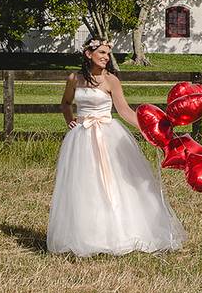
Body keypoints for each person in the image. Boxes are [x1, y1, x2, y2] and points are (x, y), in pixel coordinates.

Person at [46, 38, 186, 256]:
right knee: (84, 185)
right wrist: (70, 120)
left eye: (107, 53)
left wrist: (148, 128)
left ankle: (120, 233)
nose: (105, 57)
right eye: (101, 52)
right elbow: (65, 103)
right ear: (88, 54)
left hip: (107, 135)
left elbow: (125, 111)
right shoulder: (75, 79)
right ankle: (87, 235)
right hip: (81, 138)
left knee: (115, 182)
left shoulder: (111, 80)